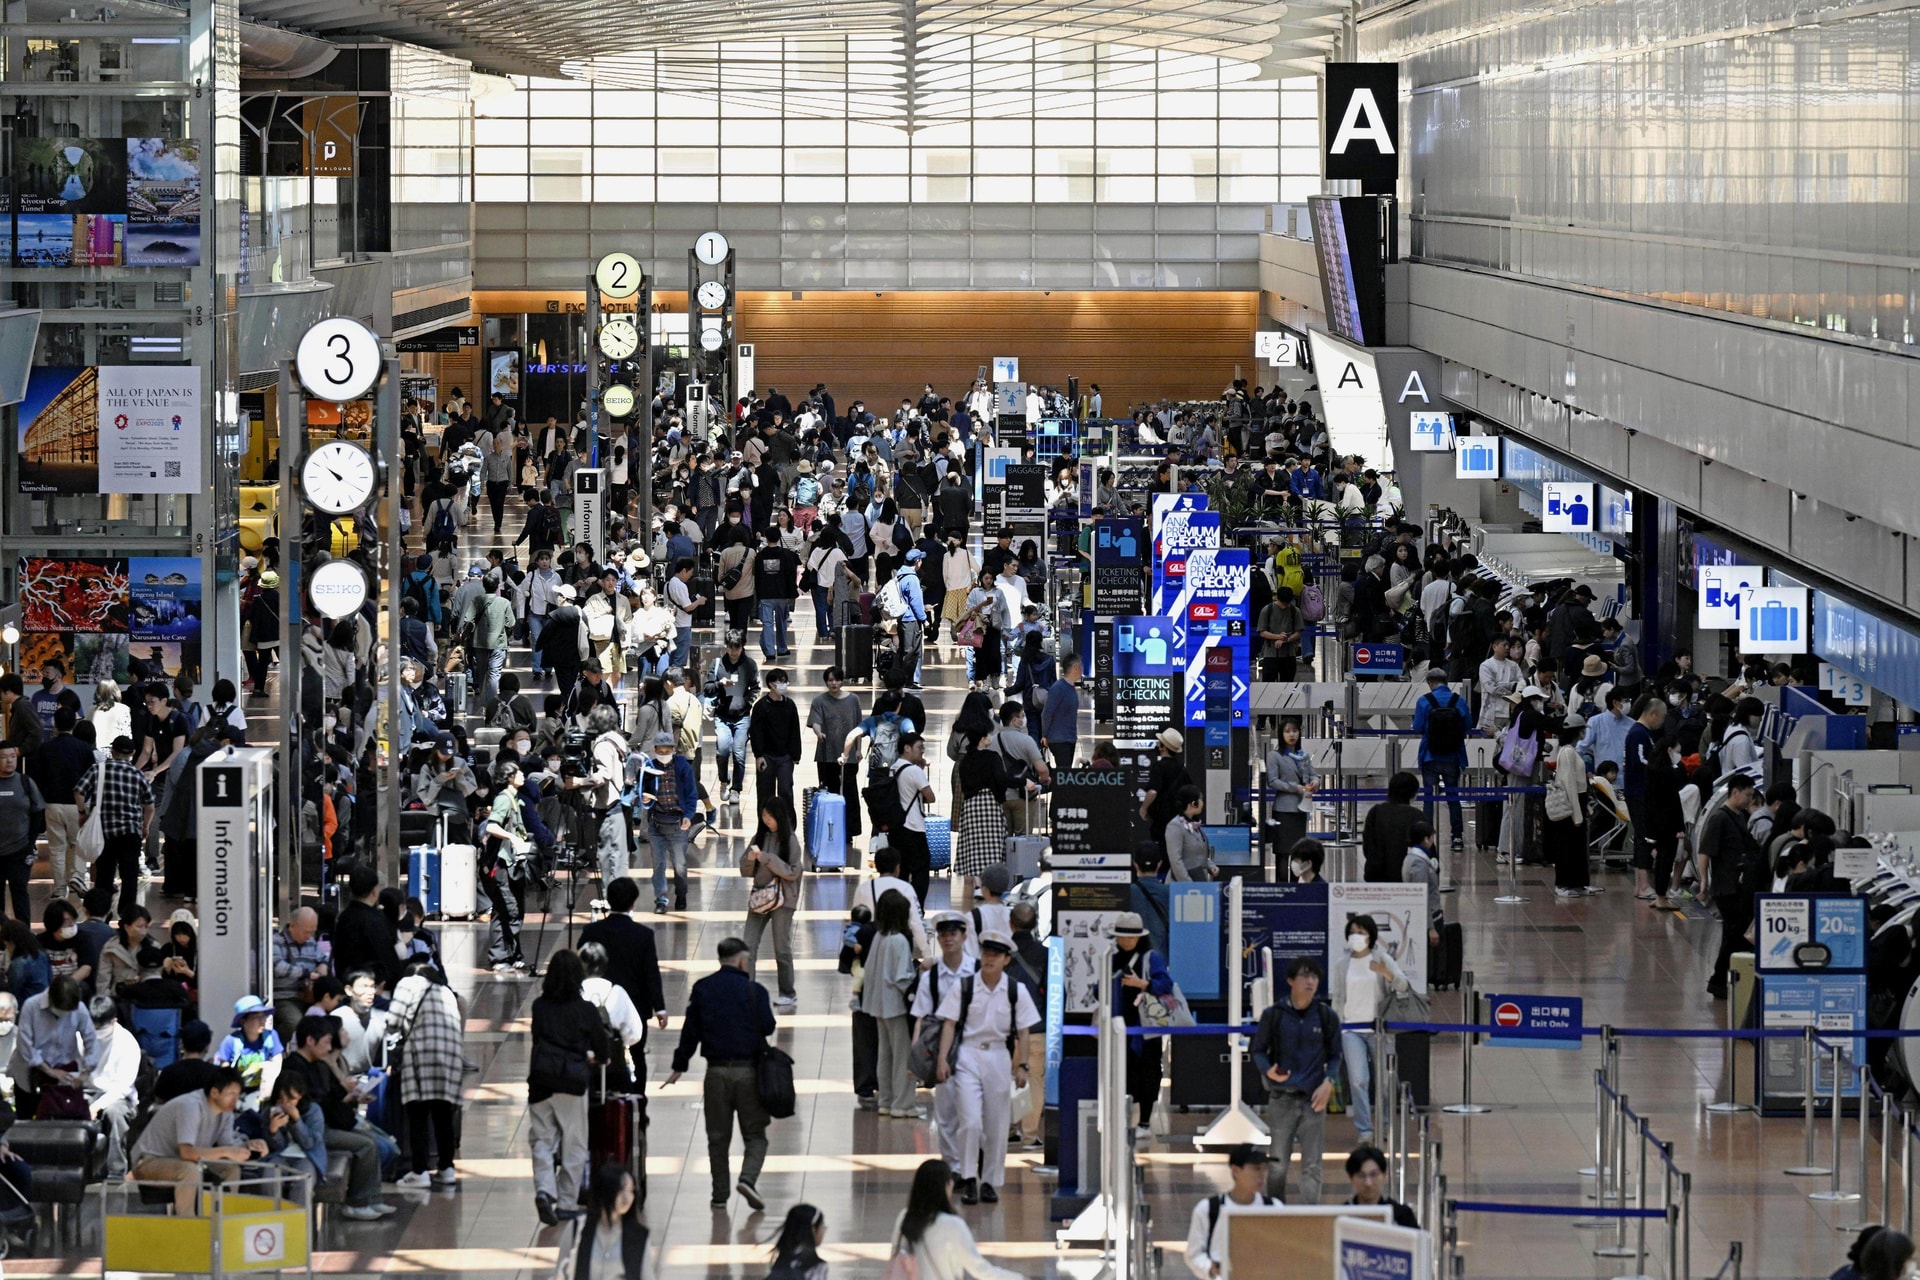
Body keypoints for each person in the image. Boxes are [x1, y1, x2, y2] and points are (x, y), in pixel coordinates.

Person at [666, 937, 778, 1211]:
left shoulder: (703, 989)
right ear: (741, 959)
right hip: (748, 1073)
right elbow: (768, 1026)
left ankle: (719, 1196)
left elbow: (690, 1031)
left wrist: (679, 1065)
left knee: (717, 1138)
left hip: (715, 1074)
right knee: (755, 1135)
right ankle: (748, 1179)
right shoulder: (756, 991)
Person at [934, 930, 1038, 1205]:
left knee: (996, 1124)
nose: (989, 959)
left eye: (996, 955)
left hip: (998, 1057)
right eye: (986, 953)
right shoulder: (965, 987)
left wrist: (1023, 1065)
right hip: (967, 1055)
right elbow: (949, 1024)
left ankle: (990, 1181)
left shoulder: (1016, 990)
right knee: (969, 1120)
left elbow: (1024, 1032)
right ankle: (968, 1178)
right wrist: (943, 1059)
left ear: (1006, 959)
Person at [275, 1016, 395, 1220]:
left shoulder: (314, 1064)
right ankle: (357, 1202)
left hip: (323, 1125)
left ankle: (371, 1199)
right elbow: (314, 1103)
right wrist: (342, 1091)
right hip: (310, 1131)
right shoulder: (295, 1068)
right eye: (326, 1042)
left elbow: (325, 1100)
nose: (329, 1046)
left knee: (370, 1141)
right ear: (310, 1041)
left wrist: (345, 1094)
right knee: (366, 1145)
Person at [527, 950, 611, 1226]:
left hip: (540, 1081)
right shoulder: (585, 1009)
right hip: (572, 1083)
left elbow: (538, 1037)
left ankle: (544, 1189)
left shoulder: (539, 1006)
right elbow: (602, 1047)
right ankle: (565, 1203)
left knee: (542, 1140)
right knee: (574, 1144)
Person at [1250, 957, 1341, 1204]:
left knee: (1312, 1166)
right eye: (1304, 976)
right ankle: (1276, 1211)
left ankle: (1310, 1217)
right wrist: (1268, 1070)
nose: (1310, 981)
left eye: (1314, 977)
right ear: (1291, 981)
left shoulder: (1326, 1016)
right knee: (1278, 1165)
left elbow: (1335, 1056)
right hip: (1282, 1099)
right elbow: (1257, 1050)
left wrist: (1328, 1082)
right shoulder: (1274, 1015)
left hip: (1314, 1099)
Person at [128, 1066, 270, 1216]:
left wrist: (248, 1146)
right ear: (215, 1092)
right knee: (189, 1171)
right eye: (231, 1094)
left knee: (231, 1169)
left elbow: (227, 1147)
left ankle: (221, 1218)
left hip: (186, 1160)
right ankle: (188, 1221)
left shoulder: (226, 1112)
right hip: (149, 1160)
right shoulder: (191, 1106)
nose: (235, 1099)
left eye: (238, 1094)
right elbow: (187, 1152)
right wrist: (228, 1151)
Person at [577, 877, 669, 1088]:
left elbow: (580, 965)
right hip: (635, 1007)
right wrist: (660, 1008)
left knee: (594, 1052)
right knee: (637, 1056)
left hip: (595, 1005)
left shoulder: (591, 932)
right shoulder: (643, 935)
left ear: (608, 900)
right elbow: (651, 973)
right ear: (633, 902)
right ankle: (637, 1102)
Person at [1329, 915, 1409, 1145]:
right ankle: (1365, 1129)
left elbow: (1403, 984)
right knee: (1358, 1080)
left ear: (1371, 936)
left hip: (1379, 1029)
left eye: (1362, 933)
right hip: (1351, 1030)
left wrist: (1385, 972)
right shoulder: (1341, 964)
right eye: (1353, 932)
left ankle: (1384, 1124)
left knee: (1384, 1082)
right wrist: (1336, 1028)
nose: (1357, 937)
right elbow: (1337, 998)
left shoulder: (1381, 958)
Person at [386, 957, 466, 1188]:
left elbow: (393, 1020)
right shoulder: (445, 991)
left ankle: (419, 1170)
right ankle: (446, 1168)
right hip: (451, 1054)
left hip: (422, 1052)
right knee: (443, 1113)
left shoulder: (407, 983)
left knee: (418, 1112)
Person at [912, 913, 978, 1166]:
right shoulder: (931, 977)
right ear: (938, 938)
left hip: (974, 1045)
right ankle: (953, 1166)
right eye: (944, 934)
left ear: (964, 937)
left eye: (954, 933)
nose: (948, 938)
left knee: (973, 1115)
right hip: (944, 1049)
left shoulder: (976, 971)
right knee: (946, 1113)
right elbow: (921, 1016)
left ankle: (971, 1163)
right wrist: (916, 1059)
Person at [889, 1157, 1024, 1280]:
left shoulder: (904, 1216)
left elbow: (896, 1256)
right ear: (947, 1186)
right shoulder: (952, 1225)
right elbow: (980, 1269)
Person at [1110, 912, 1173, 1133]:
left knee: (1148, 1072)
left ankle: (1145, 1121)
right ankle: (1125, 1118)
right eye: (1121, 936)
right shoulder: (1112, 958)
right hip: (1120, 1026)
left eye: (1130, 937)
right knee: (1123, 1073)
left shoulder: (1151, 957)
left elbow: (1165, 985)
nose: (1126, 941)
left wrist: (1141, 984)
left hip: (1148, 1026)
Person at [1704, 774, 1765, 1000]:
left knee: (1734, 934)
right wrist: (1703, 881)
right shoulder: (1720, 819)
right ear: (1735, 792)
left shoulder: (1739, 817)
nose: (1750, 800)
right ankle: (1718, 980)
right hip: (1726, 885)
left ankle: (1724, 980)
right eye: (1748, 795)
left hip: (1736, 885)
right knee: (1734, 934)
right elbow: (1706, 851)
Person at [861, 888, 919, 1119]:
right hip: (896, 1006)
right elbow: (902, 977)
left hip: (877, 1004)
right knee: (902, 1056)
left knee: (884, 1055)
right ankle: (902, 1104)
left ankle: (885, 1099)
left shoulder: (879, 937)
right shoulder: (899, 941)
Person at [741, 798, 803, 1009]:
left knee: (781, 947)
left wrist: (765, 857)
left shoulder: (791, 842)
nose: (766, 820)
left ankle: (788, 991)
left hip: (783, 900)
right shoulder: (759, 837)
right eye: (764, 816)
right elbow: (744, 870)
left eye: (770, 816)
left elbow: (793, 872)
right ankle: (746, 989)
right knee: (748, 944)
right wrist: (751, 859)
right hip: (760, 898)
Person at [1185, 1144, 1279, 1279]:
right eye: (1256, 1169)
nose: (1262, 1175)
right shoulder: (1208, 1209)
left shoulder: (1274, 1208)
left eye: (1265, 1169)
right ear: (1236, 1170)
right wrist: (1211, 1268)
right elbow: (1194, 1254)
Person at [552, 1163, 658, 1280]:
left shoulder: (638, 1236)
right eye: (622, 1190)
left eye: (631, 1191)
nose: (627, 1197)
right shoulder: (577, 1229)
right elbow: (560, 1272)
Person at [639, 731, 700, 914]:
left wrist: (688, 815)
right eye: (660, 750)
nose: (664, 754)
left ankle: (681, 894)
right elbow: (641, 791)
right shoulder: (649, 767)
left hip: (677, 822)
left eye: (667, 750)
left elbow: (691, 793)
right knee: (658, 864)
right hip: (657, 823)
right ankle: (661, 899)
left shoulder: (682, 767)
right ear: (655, 749)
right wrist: (645, 798)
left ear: (673, 750)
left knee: (679, 864)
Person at [1622, 695, 1674, 908]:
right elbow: (1641, 761)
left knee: (1642, 836)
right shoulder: (1638, 733)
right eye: (1661, 718)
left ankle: (1640, 883)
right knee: (1645, 836)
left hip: (1640, 791)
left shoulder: (1642, 734)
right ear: (1652, 714)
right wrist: (1661, 770)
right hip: (1640, 792)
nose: (1661, 722)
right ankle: (1643, 883)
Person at [1412, 669, 1469, 852]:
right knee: (1453, 798)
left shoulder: (1424, 701)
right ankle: (1457, 838)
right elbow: (1467, 725)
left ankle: (1426, 838)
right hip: (1453, 756)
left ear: (1430, 682)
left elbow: (1418, 727)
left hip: (1430, 755)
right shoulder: (1458, 701)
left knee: (1429, 798)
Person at [85, 995, 141, 1177]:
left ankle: (116, 1171)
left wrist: (98, 1105)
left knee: (114, 1113)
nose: (97, 1032)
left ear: (114, 1021)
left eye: (102, 1028)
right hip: (87, 1091)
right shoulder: (81, 1036)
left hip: (118, 1096)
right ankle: (78, 1167)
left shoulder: (127, 1042)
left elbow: (123, 1086)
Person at [331, 861, 401, 989]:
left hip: (347, 982)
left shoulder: (343, 917)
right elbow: (387, 958)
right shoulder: (376, 920)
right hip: (375, 985)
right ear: (374, 891)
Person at [1545, 718, 1591, 897]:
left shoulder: (1571, 751)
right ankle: (1564, 884)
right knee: (1567, 846)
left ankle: (1578, 883)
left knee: (1577, 846)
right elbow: (1569, 783)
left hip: (1578, 800)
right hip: (1572, 802)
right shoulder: (1567, 752)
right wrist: (1577, 814)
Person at [214, 994, 285, 1109]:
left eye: (264, 1016)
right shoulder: (231, 1041)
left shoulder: (271, 1036)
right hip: (238, 1092)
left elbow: (277, 1062)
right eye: (256, 1017)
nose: (262, 1021)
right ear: (243, 1021)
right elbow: (224, 1072)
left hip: (263, 1090)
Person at [748, 668, 803, 812]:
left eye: (785, 682)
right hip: (766, 756)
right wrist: (758, 755)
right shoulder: (761, 706)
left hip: (785, 756)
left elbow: (795, 731)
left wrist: (795, 755)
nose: (784, 685)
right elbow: (756, 732)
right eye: (781, 682)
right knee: (765, 793)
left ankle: (788, 826)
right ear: (771, 684)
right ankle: (764, 827)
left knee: (786, 791)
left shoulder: (790, 705)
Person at [0, 745, 44, 922]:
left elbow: (37, 812)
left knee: (20, 891)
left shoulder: (25, 782)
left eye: (12, 756)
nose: (9, 760)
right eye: (4, 757)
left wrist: (30, 841)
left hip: (19, 849)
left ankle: (24, 936)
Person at [270, 907, 327, 1042]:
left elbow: (323, 959)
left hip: (308, 996)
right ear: (293, 926)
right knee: (295, 1023)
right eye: (306, 932)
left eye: (312, 932)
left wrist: (322, 967)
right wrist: (306, 973)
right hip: (284, 997)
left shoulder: (311, 942)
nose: (309, 936)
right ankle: (277, 1047)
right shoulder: (276, 941)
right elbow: (278, 968)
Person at [1266, 719, 1316, 867]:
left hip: (1301, 809)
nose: (1292, 734)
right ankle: (1282, 887)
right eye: (1287, 731)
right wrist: (1295, 787)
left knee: (1298, 854)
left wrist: (1315, 782)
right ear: (1281, 734)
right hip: (1283, 810)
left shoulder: (1303, 756)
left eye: (1294, 731)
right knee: (1282, 853)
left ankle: (1296, 888)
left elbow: (1313, 774)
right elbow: (1273, 781)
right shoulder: (1275, 756)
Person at [1362, 771, 1421, 882]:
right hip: (1407, 877)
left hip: (1376, 875)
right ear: (1412, 793)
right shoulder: (1416, 815)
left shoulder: (1375, 812)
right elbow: (1424, 849)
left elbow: (1367, 845)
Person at [1346, 1144, 1419, 1228]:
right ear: (1351, 1178)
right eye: (1361, 1176)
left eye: (1374, 1175)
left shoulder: (1401, 1216)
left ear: (1384, 1176)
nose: (1368, 1183)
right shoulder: (1340, 1215)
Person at [1138, 728, 1189, 846]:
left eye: (1159, 742)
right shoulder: (1182, 769)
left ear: (1163, 747)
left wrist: (1144, 808)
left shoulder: (1159, 767)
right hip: (1178, 818)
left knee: (1162, 849)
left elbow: (1153, 792)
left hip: (1161, 819)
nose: (1157, 744)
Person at [1038, 652, 1082, 770]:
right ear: (1075, 668)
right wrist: (1045, 735)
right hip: (1059, 739)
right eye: (1080, 667)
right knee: (1063, 774)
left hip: (1069, 738)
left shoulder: (1071, 687)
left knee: (1065, 773)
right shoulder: (1058, 688)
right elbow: (1046, 714)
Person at [765, 1203, 828, 1280]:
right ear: (813, 1229)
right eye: (822, 1226)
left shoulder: (781, 1259)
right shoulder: (817, 1266)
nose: (824, 1230)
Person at [1165, 789, 1215, 881]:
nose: (1202, 803)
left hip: (1198, 879)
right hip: (1181, 885)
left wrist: (1210, 866)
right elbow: (1175, 860)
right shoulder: (1175, 826)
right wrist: (1187, 883)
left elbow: (1198, 854)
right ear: (1193, 803)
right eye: (1201, 800)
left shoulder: (1195, 825)